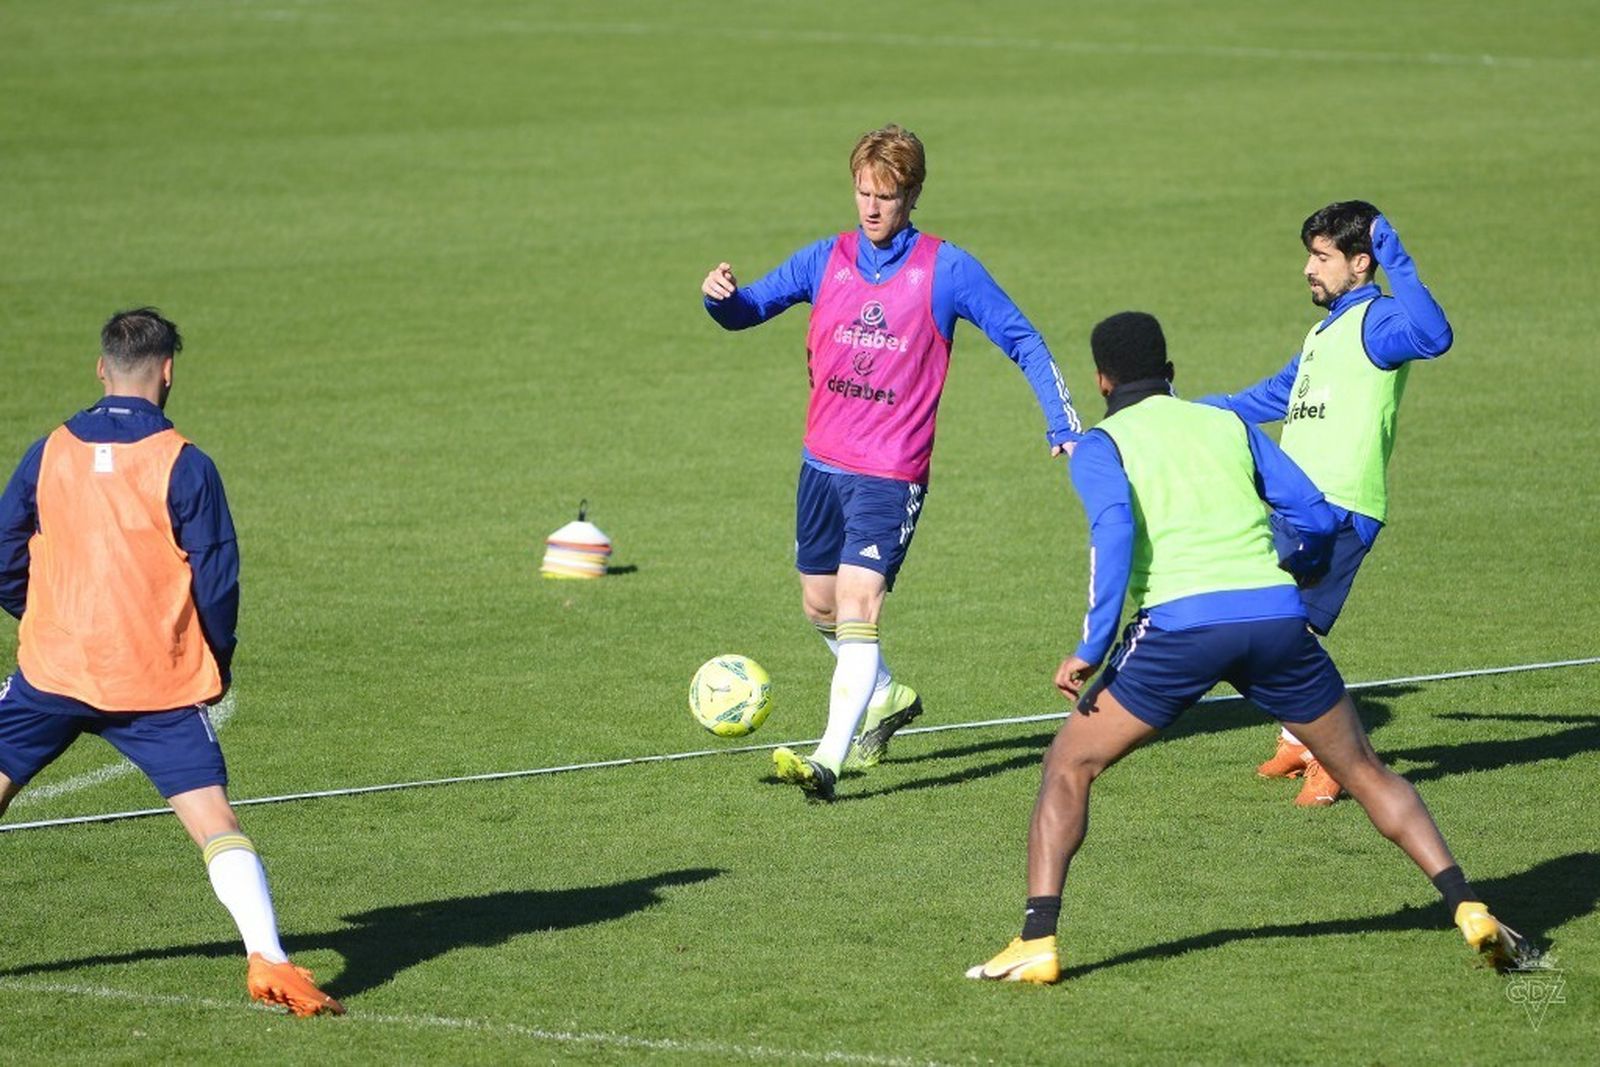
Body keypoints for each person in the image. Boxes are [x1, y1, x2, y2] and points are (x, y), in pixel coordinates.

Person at [966, 312, 1524, 984]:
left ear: (1101, 380)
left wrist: (1091, 644)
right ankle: (1467, 904)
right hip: (1275, 620)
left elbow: (1113, 535)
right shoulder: (1225, 423)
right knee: (1365, 768)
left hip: (1179, 630)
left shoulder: (1100, 446)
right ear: (1171, 374)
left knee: (1068, 763)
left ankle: (1037, 939)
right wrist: (1291, 565)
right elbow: (1315, 515)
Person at [700, 124, 1082, 801]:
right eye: (862, 192)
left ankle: (828, 757)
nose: (872, 207)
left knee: (857, 602)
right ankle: (882, 693)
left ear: (914, 194)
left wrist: (1061, 420)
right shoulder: (828, 257)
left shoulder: (947, 269)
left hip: (890, 469)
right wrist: (721, 298)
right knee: (819, 603)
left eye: (887, 195)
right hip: (822, 464)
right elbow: (749, 309)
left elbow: (1022, 337)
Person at [0, 309, 343, 1017]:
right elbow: (218, 580)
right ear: (168, 371)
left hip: (53, 671)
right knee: (215, 819)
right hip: (155, 681)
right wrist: (216, 660)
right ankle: (270, 959)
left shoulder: (48, 453)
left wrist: (40, 617)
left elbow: (3, 554)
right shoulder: (186, 463)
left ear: (102, 369)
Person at [1200, 202, 1452, 805]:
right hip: (1300, 507)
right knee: (1269, 624)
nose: (1309, 270)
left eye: (1322, 258)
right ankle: (1299, 738)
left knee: (1287, 632)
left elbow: (1435, 336)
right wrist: (1190, 409)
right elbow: (1274, 394)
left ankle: (1338, 756)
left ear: (1360, 262)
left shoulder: (1379, 321)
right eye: (1309, 256)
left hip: (1341, 507)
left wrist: (1398, 258)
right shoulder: (1325, 330)